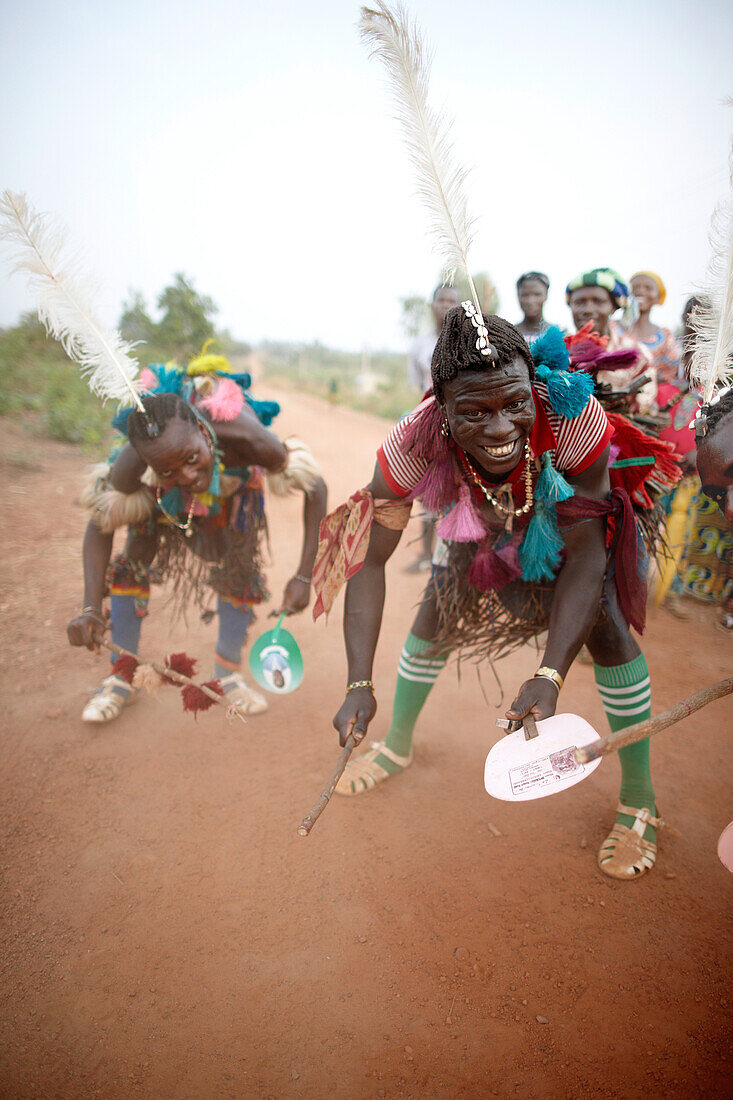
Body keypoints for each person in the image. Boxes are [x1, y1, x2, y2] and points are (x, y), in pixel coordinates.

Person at [314, 307, 679, 880]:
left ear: (532, 385)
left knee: (605, 629)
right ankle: (397, 744)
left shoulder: (572, 416)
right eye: (474, 412)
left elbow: (586, 555)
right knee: (437, 610)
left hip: (564, 517)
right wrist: (358, 682)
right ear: (440, 407)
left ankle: (640, 800)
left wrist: (551, 673)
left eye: (513, 403)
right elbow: (369, 561)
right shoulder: (411, 442)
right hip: (480, 518)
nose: (502, 428)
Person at [67, 353, 327, 722]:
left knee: (238, 559)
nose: (188, 476)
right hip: (158, 493)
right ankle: (121, 676)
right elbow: (99, 524)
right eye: (170, 469)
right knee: (135, 555)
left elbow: (317, 488)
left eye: (192, 457)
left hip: (234, 483)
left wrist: (304, 576)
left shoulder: (247, 438)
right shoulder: (133, 468)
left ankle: (227, 673)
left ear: (205, 433)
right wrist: (91, 608)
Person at [405, 284, 461, 571]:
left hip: (463, 425)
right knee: (427, 490)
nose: (446, 305)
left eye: (452, 300)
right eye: (441, 300)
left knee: (462, 486)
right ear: (432, 304)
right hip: (430, 424)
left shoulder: (466, 342)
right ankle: (426, 556)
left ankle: (455, 553)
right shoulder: (420, 346)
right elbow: (418, 387)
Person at [566, 267, 658, 416]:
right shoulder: (557, 353)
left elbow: (644, 409)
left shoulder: (638, 355)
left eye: (598, 301)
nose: (588, 309)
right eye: (580, 302)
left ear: (613, 307)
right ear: (570, 306)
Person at [627, 272, 682, 385]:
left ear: (658, 297)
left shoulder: (667, 337)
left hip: (657, 399)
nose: (641, 291)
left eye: (648, 288)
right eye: (635, 287)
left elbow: (670, 376)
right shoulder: (613, 330)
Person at [515, 271, 552, 344]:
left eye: (537, 294)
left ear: (546, 295)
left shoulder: (560, 335)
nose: (530, 301)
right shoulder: (509, 334)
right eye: (525, 295)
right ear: (518, 296)